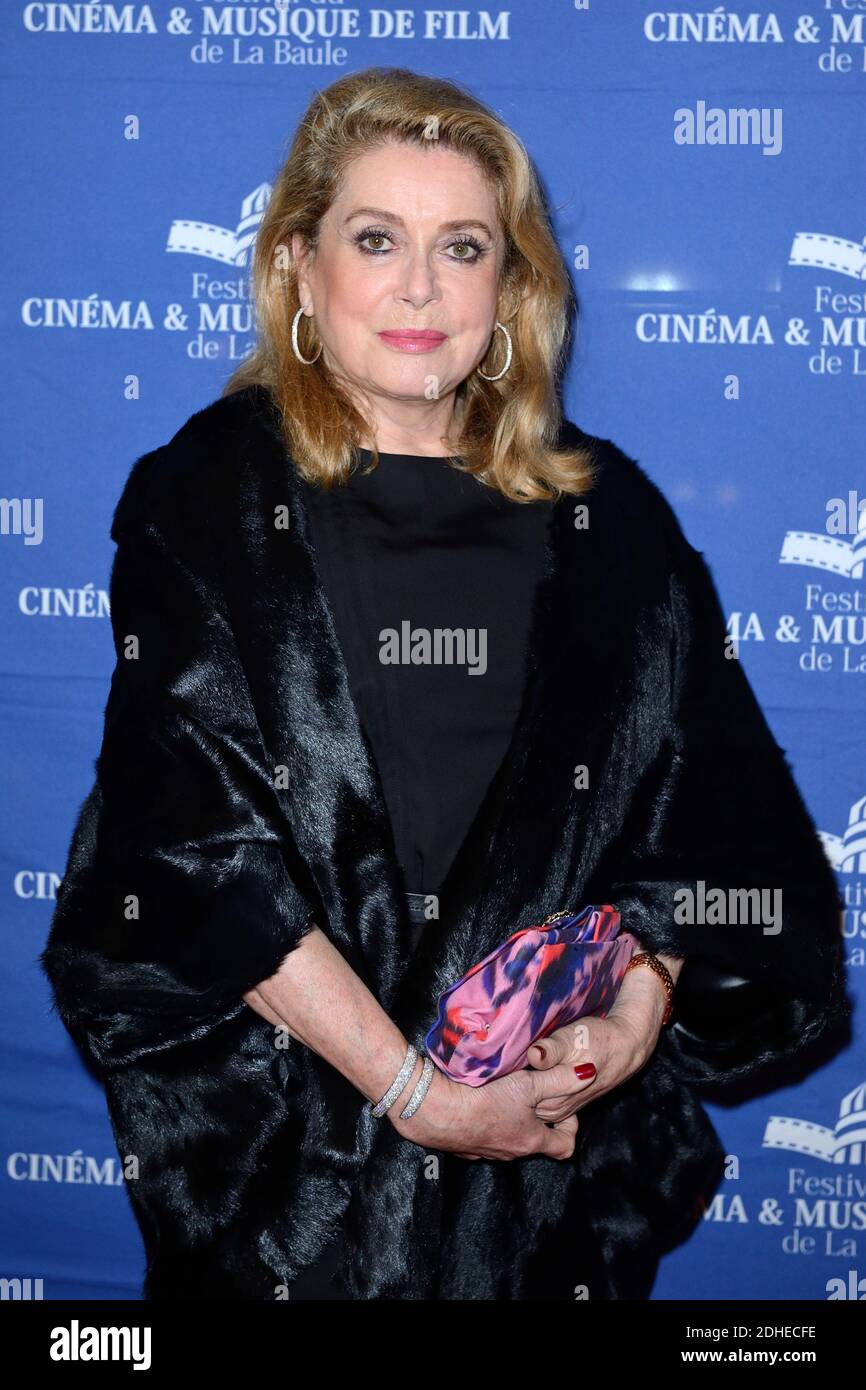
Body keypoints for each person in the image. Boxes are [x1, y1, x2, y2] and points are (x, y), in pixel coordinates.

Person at [41, 66, 849, 1302]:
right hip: (298, 1180)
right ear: (301, 269)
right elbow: (195, 856)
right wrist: (416, 1098)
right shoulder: (203, 503)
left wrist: (629, 1021)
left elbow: (709, 826)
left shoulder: (611, 519)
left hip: (545, 1184)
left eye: (461, 246)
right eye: (377, 239)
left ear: (510, 286)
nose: (419, 287)